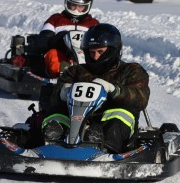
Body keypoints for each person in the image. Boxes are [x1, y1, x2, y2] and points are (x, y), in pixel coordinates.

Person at [40, 23, 150, 153]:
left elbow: (141, 98)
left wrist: (115, 90)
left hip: (109, 126)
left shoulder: (131, 70)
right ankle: (54, 141)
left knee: (121, 112)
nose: (95, 57)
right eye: (91, 52)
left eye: (100, 52)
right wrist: (62, 93)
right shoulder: (75, 71)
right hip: (76, 121)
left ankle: (103, 147)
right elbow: (53, 98)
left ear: (113, 50)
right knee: (56, 110)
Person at [39, 0, 99, 78]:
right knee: (52, 53)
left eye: (80, 7)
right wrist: (59, 39)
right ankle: (60, 77)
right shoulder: (55, 19)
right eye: (73, 5)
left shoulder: (93, 24)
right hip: (62, 55)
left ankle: (94, 76)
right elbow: (43, 40)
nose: (76, 10)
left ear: (87, 6)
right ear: (67, 3)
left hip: (85, 57)